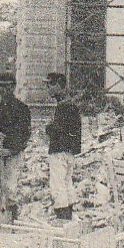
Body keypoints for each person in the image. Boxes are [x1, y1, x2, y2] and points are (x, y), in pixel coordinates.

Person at [0, 71, 31, 221]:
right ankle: (0, 219)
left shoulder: (22, 109)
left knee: (11, 188)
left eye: (6, 87)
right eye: (1, 87)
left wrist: (11, 150)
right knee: (0, 187)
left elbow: (25, 134)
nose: (3, 90)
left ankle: (13, 220)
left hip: (14, 154)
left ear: (13, 87)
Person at [44, 72, 81, 221]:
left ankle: (63, 222)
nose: (48, 88)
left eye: (51, 84)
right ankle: (69, 221)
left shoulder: (63, 106)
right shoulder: (70, 104)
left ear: (60, 85)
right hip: (69, 152)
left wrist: (49, 128)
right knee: (67, 185)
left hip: (59, 152)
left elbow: (58, 130)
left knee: (58, 187)